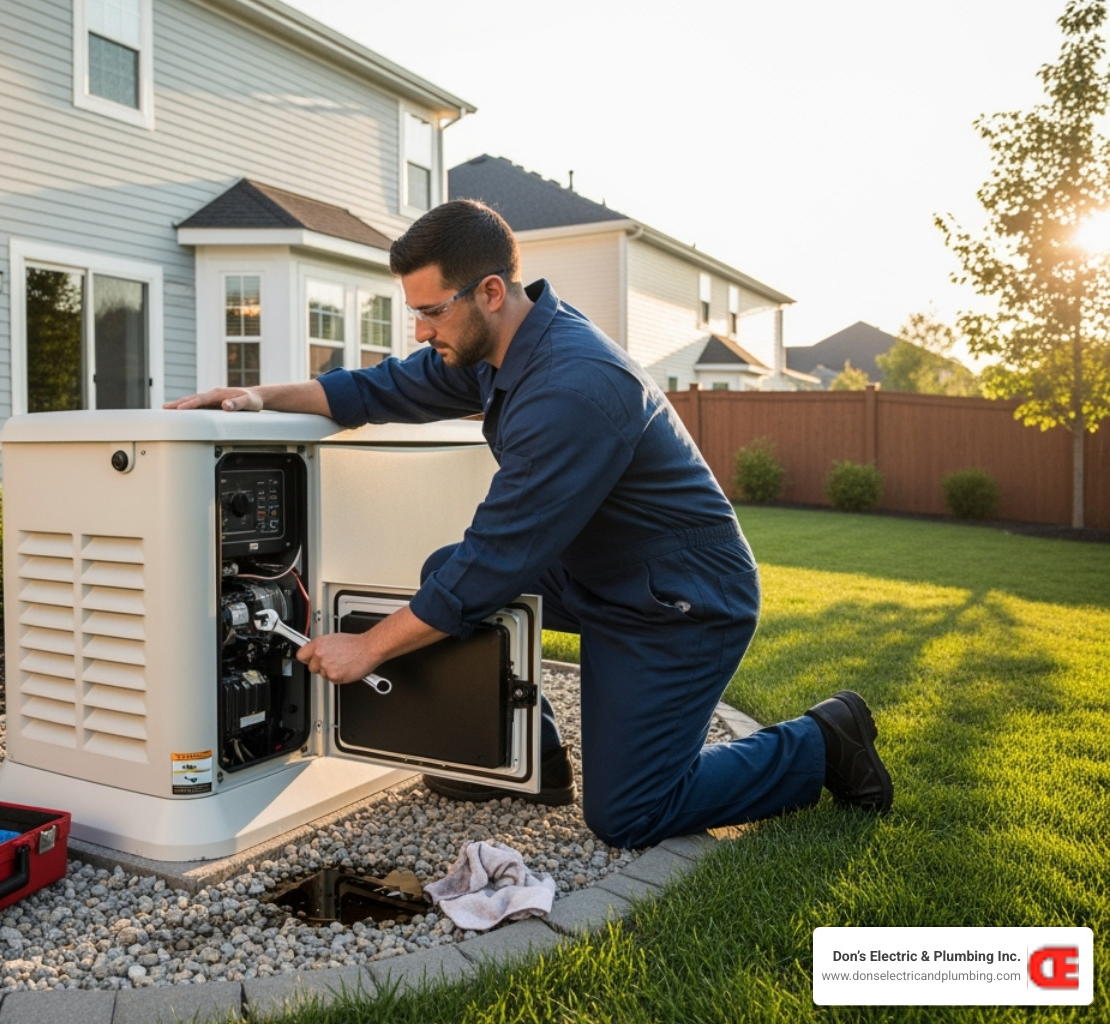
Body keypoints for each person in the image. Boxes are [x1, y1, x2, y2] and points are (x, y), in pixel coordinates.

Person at [166, 199, 892, 849]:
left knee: (630, 812)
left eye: (431, 312)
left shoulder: (573, 388)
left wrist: (367, 648)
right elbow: (375, 389)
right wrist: (254, 396)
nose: (420, 331)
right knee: (444, 569)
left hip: (679, 603)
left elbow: (496, 561)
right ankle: (531, 762)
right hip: (605, 573)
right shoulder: (493, 347)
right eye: (412, 312)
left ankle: (820, 742)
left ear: (489, 291)